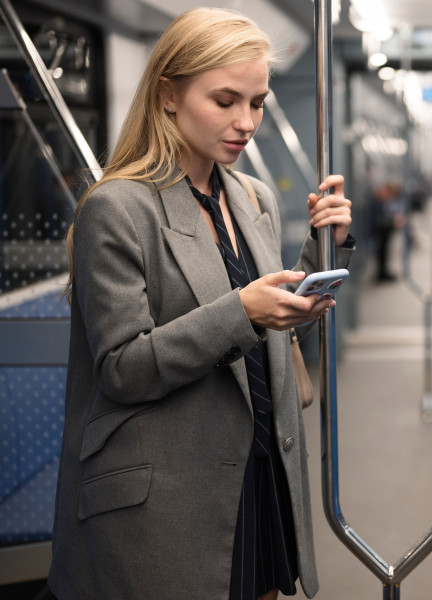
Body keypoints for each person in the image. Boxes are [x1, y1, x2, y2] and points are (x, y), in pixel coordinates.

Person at [49, 8, 354, 600]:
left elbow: (271, 317)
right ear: (168, 95)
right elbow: (123, 368)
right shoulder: (117, 209)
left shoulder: (250, 197)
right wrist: (246, 312)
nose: (246, 122)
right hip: (172, 491)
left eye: (258, 102)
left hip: (259, 467)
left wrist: (326, 249)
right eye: (225, 100)